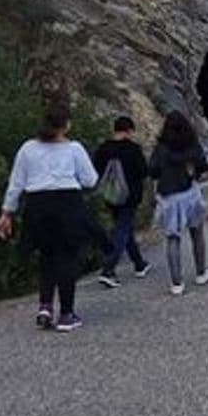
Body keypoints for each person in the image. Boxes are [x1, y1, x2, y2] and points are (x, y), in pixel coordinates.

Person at [0, 104, 105, 332]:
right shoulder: (74, 148)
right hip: (67, 204)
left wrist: (7, 213)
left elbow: (16, 183)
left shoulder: (28, 148)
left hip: (37, 206)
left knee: (46, 255)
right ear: (66, 125)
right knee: (67, 257)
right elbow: (90, 180)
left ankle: (45, 306)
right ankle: (66, 313)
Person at [148, 111, 208, 296]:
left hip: (168, 196)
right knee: (197, 233)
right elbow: (203, 165)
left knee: (172, 238)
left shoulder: (161, 148)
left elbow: (152, 171)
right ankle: (201, 273)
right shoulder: (191, 145)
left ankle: (177, 283)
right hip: (189, 193)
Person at [92, 115, 149, 287]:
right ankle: (108, 269)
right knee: (122, 229)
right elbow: (143, 171)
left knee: (124, 227)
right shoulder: (133, 149)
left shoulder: (103, 148)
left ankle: (139, 264)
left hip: (110, 196)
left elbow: (96, 169)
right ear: (129, 130)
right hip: (130, 196)